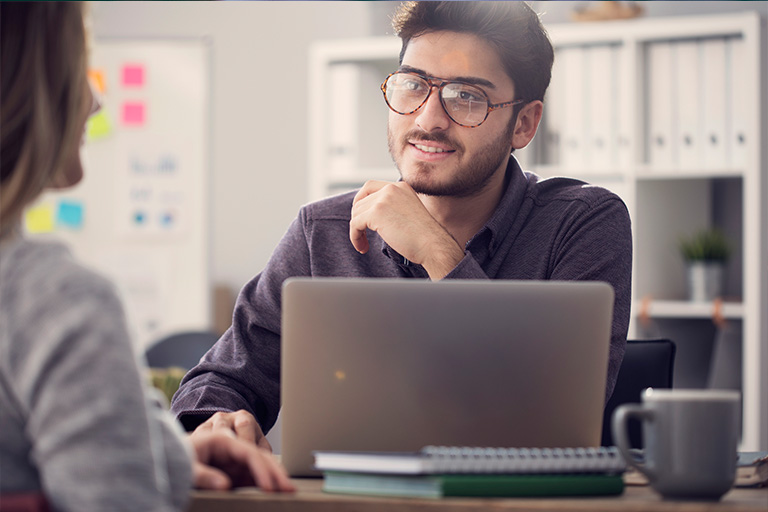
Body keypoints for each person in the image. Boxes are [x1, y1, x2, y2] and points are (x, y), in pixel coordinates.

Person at [172, 1, 632, 451]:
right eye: (413, 86)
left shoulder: (582, 223)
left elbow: (551, 424)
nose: (428, 120)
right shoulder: (323, 230)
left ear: (524, 124)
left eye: (467, 97)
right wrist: (217, 421)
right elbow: (222, 379)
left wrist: (438, 253)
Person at [0, 3, 294, 511]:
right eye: (78, 68)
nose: (95, 102)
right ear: (30, 89)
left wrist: (164, 454)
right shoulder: (55, 299)